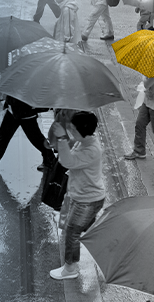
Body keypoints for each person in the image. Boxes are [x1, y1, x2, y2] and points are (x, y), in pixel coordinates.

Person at [48, 111, 105, 280]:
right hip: (82, 196)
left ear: (83, 131)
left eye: (73, 129)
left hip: (87, 200)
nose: (71, 131)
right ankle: (106, 247)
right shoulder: (86, 141)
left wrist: (61, 139)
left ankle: (70, 268)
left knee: (71, 232)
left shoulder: (91, 150)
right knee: (85, 230)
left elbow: (67, 162)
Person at [0, 95, 56, 171]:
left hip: (24, 111)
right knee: (4, 137)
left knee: (36, 139)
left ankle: (50, 160)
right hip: (19, 110)